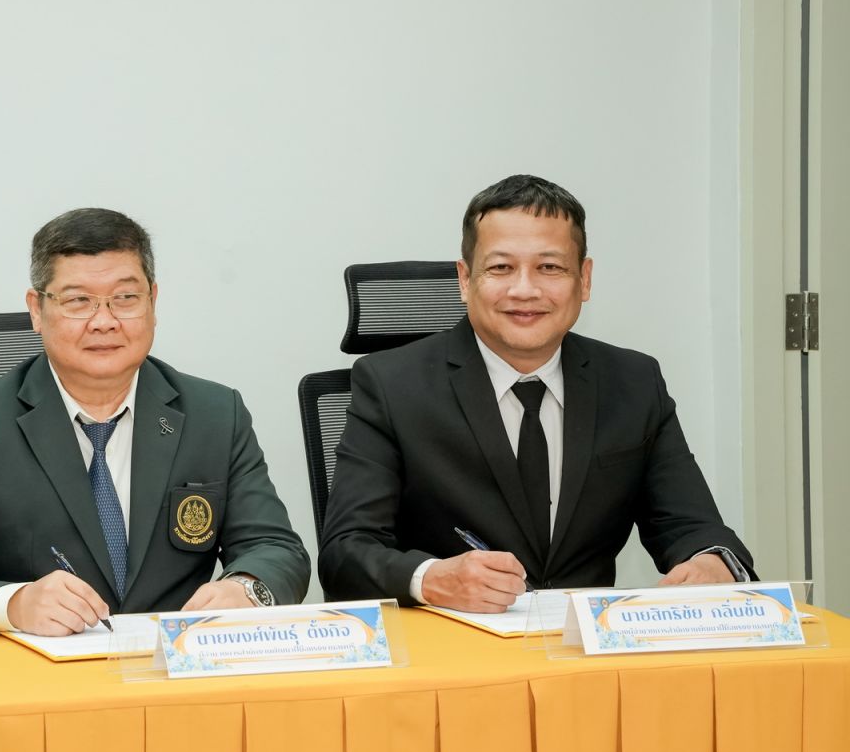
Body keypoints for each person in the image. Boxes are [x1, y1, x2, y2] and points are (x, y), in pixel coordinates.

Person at [317, 175, 754, 613]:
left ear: (584, 279)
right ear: (465, 279)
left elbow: (693, 526)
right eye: (501, 268)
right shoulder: (391, 385)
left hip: (582, 643)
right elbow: (344, 553)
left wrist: (712, 562)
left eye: (550, 268)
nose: (524, 290)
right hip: (452, 639)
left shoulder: (633, 382)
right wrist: (430, 579)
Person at [0, 208, 309, 635]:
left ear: (153, 302)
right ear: (36, 310)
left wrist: (246, 588)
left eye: (125, 298)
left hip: (174, 663)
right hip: (36, 669)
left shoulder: (215, 414)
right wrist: (13, 604)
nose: (104, 322)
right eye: (78, 301)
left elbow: (276, 549)